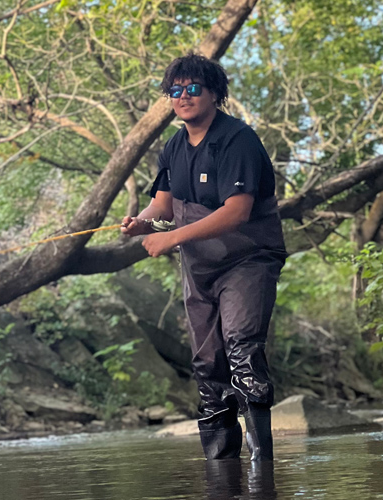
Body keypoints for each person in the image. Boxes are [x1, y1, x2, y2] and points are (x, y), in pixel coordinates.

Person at [121, 53, 287, 461]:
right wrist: (142, 223)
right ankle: (221, 469)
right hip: (199, 267)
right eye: (174, 90)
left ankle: (261, 465)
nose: (183, 96)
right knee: (208, 363)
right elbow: (162, 204)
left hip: (248, 260)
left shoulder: (237, 139)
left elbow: (237, 211)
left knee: (242, 349)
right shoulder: (174, 147)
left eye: (192, 88)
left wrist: (172, 237)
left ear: (214, 93)